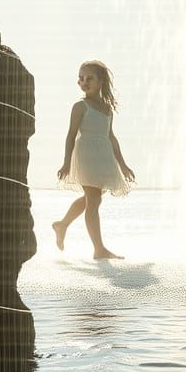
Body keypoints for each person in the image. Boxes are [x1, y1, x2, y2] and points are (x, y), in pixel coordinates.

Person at [53, 60, 136, 259]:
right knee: (94, 199)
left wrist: (123, 165)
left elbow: (111, 137)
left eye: (89, 78)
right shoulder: (80, 106)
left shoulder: (107, 109)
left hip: (103, 156)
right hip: (86, 155)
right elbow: (71, 135)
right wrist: (66, 162)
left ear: (101, 82)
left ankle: (62, 225)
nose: (84, 82)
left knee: (91, 199)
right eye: (81, 78)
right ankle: (99, 249)